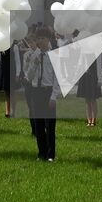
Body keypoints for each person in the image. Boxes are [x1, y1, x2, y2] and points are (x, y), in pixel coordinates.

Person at [21, 28, 59, 161]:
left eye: (43, 38)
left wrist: (54, 96)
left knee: (50, 125)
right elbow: (29, 76)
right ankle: (41, 153)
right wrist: (34, 65)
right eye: (39, 39)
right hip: (36, 92)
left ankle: (51, 154)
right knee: (39, 124)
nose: (40, 41)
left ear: (48, 40)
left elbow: (57, 78)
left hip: (48, 91)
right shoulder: (34, 55)